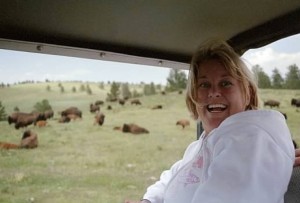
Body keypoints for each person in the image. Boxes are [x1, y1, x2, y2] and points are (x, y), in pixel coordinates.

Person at [125, 39, 295, 203]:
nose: (214, 92)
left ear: (248, 92)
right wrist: (149, 200)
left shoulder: (251, 140)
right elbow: (176, 175)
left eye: (226, 83)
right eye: (204, 85)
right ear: (193, 96)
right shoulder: (201, 145)